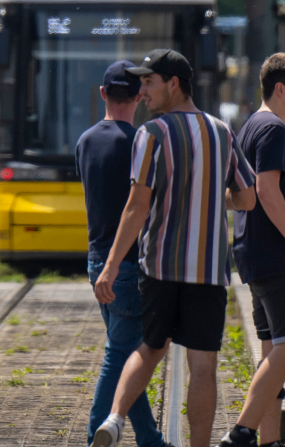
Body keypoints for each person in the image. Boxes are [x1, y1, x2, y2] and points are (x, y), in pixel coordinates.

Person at [92, 49, 257, 447]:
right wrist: (214, 197)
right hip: (207, 270)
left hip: (161, 267)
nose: (141, 90)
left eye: (149, 82)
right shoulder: (222, 131)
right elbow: (248, 198)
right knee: (203, 364)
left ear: (174, 83)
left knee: (149, 348)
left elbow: (137, 206)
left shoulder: (151, 134)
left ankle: (114, 420)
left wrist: (111, 266)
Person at [220, 53, 285, 447]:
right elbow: (265, 189)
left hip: (254, 253)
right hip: (279, 256)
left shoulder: (249, 128)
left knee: (272, 350)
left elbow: (238, 193)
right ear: (280, 88)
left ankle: (270, 440)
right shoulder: (274, 130)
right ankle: (242, 432)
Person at [79, 60, 170, 447]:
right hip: (129, 263)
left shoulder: (85, 141)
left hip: (97, 260)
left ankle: (150, 440)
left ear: (102, 94)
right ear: (139, 97)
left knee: (131, 357)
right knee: (120, 355)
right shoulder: (139, 141)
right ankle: (95, 435)